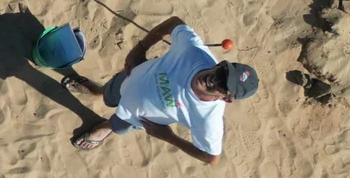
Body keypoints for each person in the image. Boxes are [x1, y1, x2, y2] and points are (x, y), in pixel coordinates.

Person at [64, 16, 258, 164]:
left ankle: (104, 127)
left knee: (117, 124)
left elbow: (211, 157)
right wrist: (140, 49)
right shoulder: (194, 52)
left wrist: (168, 136)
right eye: (222, 72)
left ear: (226, 99)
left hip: (136, 116)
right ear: (221, 64)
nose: (213, 79)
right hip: (132, 76)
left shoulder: (208, 119)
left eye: (222, 85)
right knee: (108, 93)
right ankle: (98, 90)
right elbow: (174, 23)